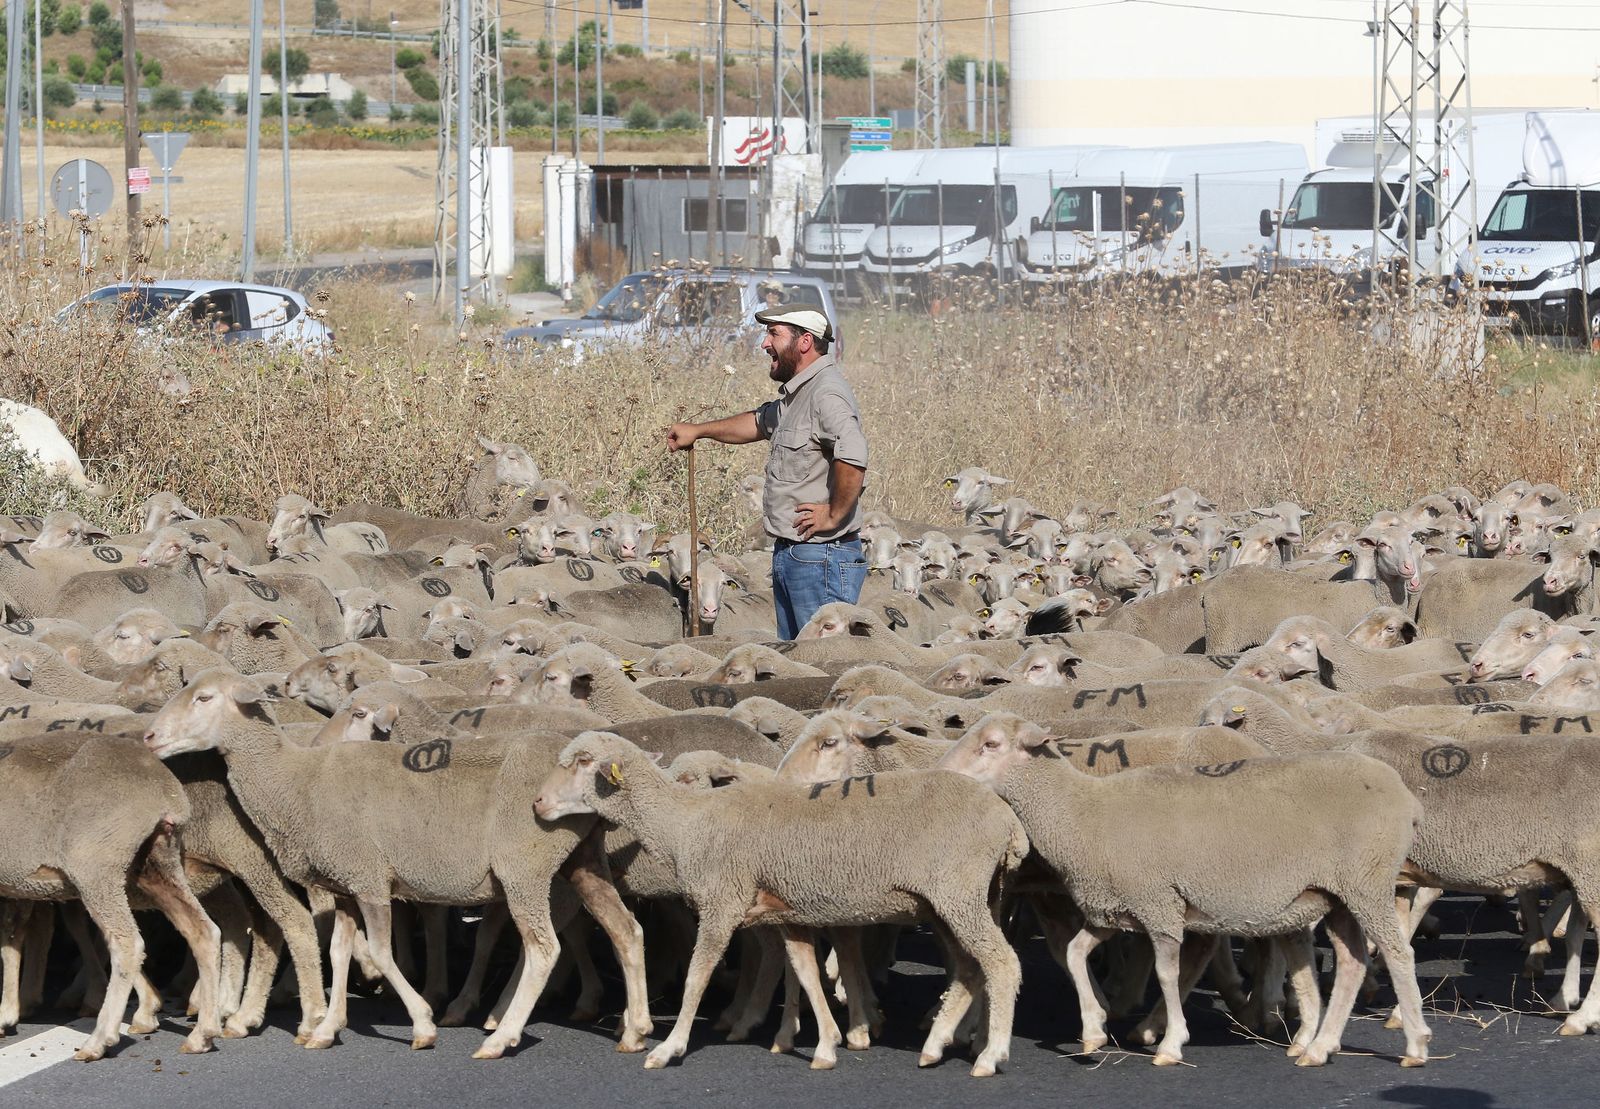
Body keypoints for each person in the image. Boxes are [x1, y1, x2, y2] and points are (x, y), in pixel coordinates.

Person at [667, 303, 868, 639]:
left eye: (774, 334)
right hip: (796, 553)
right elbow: (758, 422)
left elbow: (854, 454)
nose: (764, 343)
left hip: (822, 557)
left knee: (820, 666)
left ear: (804, 342)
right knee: (795, 663)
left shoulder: (826, 392)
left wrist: (834, 514)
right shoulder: (798, 394)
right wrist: (698, 430)